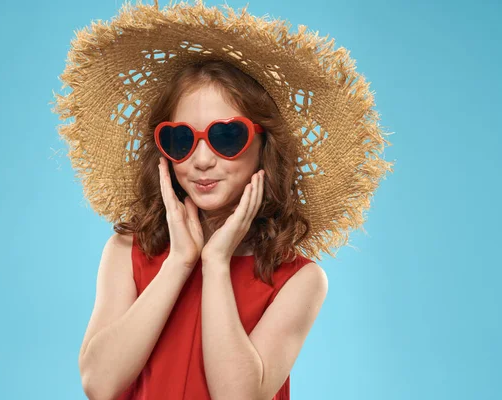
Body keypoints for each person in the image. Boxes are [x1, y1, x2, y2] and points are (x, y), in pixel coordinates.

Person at [51, 1, 394, 399]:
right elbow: (99, 383)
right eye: (181, 139)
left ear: (264, 145)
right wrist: (179, 262)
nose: (201, 160)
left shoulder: (298, 281)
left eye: (225, 137)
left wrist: (215, 264)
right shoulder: (127, 251)